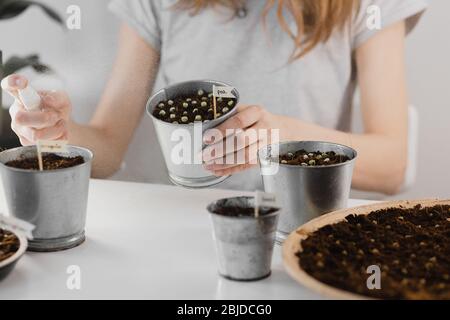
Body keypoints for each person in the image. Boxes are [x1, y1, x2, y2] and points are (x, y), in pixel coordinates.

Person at [1, 0, 428, 194]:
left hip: (299, 227)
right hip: (183, 222)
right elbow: (109, 149)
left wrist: (277, 138)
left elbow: (392, 166)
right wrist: (57, 134)